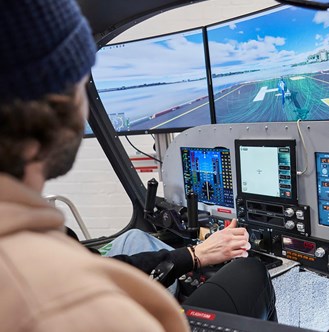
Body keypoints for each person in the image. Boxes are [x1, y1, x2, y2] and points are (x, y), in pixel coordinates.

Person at [0, 1, 275, 331]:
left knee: (133, 238)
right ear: (51, 110)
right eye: (79, 83)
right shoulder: (65, 302)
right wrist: (197, 255)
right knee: (249, 272)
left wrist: (193, 255)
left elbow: (97, 266)